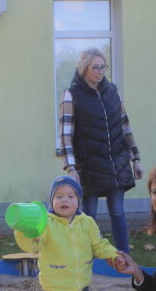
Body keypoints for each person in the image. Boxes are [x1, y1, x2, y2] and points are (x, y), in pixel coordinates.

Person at [58, 47, 142, 254]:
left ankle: (124, 256)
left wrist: (136, 158)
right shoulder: (71, 95)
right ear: (84, 68)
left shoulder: (112, 92)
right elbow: (65, 134)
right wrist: (71, 167)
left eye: (102, 67)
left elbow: (125, 126)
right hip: (88, 165)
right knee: (89, 215)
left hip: (116, 163)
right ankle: (87, 257)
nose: (99, 71)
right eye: (95, 67)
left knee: (118, 212)